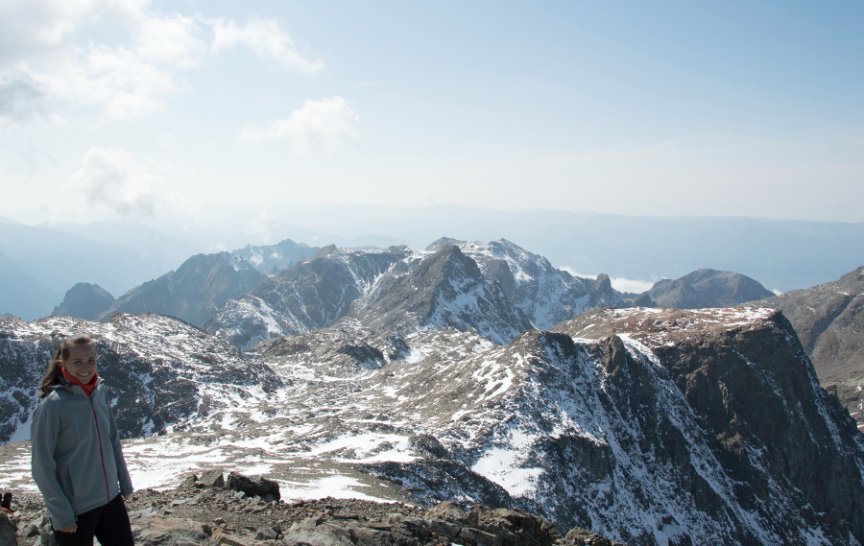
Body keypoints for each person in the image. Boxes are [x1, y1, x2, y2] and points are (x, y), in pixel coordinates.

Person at [31, 335, 135, 546]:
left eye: (91, 360)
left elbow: (112, 439)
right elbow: (41, 465)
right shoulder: (53, 405)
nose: (85, 367)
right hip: (76, 509)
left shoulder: (100, 392)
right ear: (63, 363)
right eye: (77, 362)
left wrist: (123, 483)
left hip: (110, 499)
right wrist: (62, 514)